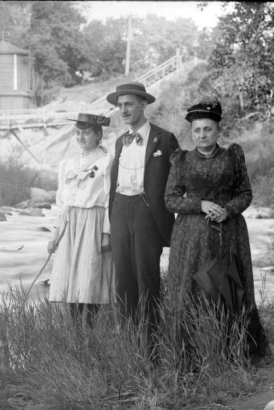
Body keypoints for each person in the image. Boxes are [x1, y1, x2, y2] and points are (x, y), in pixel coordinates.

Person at [164, 96, 272, 364]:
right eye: (197, 130)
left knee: (227, 288)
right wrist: (200, 204)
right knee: (192, 289)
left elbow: (245, 193)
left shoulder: (232, 156)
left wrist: (229, 209)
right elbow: (170, 199)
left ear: (217, 130)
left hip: (229, 234)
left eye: (207, 129)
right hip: (191, 238)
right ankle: (193, 355)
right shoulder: (182, 160)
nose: (202, 135)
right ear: (192, 133)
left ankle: (233, 351)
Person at [106, 82, 179, 340]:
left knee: (147, 277)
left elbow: (179, 182)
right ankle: (129, 340)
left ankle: (151, 342)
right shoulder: (118, 143)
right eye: (120, 105)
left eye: (129, 104)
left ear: (143, 105)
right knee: (123, 279)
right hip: (119, 210)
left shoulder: (165, 138)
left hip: (148, 212)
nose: (123, 110)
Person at [47, 113, 114, 326]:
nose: (81, 137)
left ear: (98, 135)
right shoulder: (68, 164)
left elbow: (109, 199)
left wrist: (106, 232)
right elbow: (62, 200)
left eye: (86, 133)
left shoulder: (107, 161)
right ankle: (75, 329)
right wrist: (56, 233)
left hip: (93, 220)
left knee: (90, 274)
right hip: (70, 222)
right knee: (70, 276)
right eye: (78, 133)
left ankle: (91, 328)